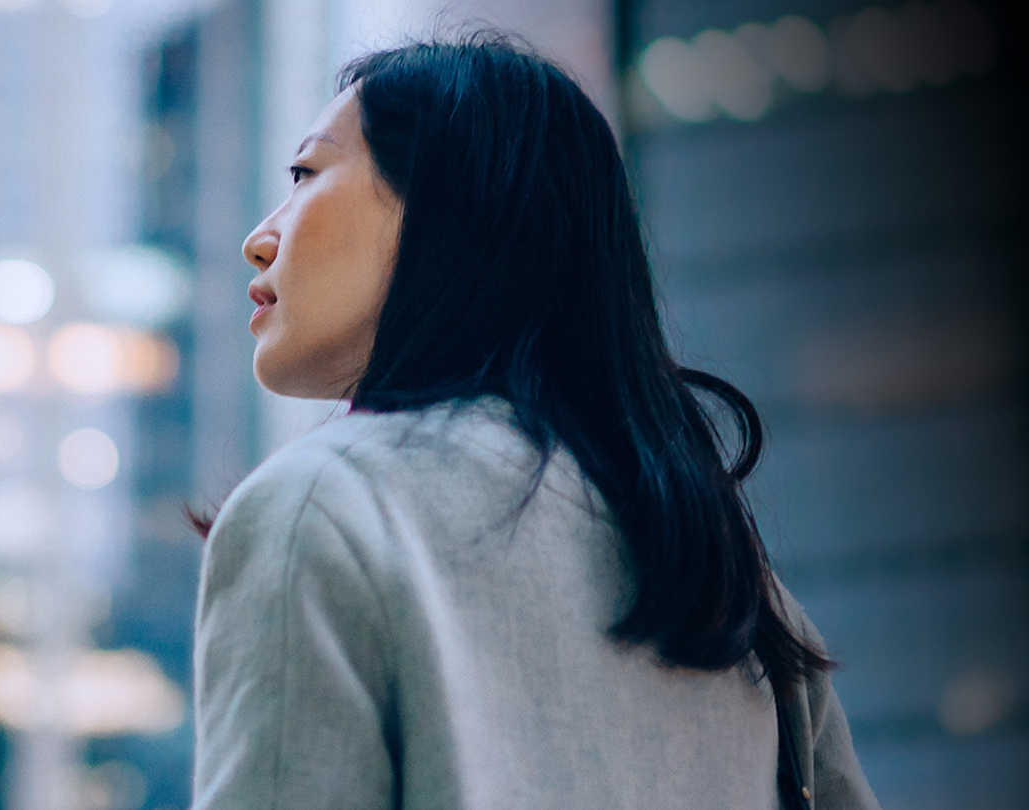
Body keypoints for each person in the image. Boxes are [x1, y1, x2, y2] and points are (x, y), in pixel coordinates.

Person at [188, 32, 880, 809]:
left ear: (449, 205)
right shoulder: (720, 570)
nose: (261, 240)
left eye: (305, 173)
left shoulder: (323, 507)